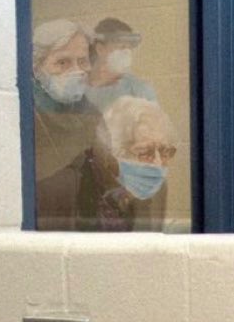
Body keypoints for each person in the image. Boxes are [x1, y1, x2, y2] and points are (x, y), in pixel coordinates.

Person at [37, 96, 176, 231]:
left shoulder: (156, 189)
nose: (158, 163)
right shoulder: (58, 192)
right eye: (145, 152)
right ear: (111, 152)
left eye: (165, 151)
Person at [32, 18, 104, 180]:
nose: (76, 71)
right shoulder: (25, 117)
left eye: (83, 61)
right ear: (37, 69)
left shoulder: (93, 115)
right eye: (63, 62)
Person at [85, 17, 158, 112]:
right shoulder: (78, 89)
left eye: (129, 48)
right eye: (122, 47)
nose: (127, 52)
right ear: (100, 49)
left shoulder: (139, 90)